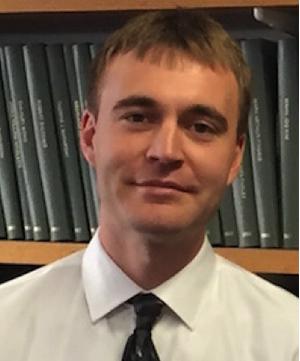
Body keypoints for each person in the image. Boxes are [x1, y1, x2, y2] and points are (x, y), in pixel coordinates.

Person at [0, 9, 298, 361]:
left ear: (235, 157)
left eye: (201, 126)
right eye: (138, 118)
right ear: (90, 136)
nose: (166, 151)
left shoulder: (289, 339)